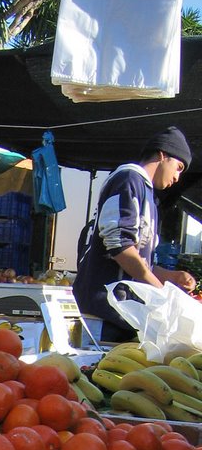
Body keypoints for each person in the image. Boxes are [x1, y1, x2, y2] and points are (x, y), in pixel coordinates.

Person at [73, 125, 196, 342]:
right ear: (162, 154)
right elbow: (119, 247)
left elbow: (139, 260)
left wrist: (170, 277)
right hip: (103, 312)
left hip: (122, 313)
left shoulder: (147, 193)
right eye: (178, 167)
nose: (178, 177)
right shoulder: (128, 179)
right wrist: (160, 291)